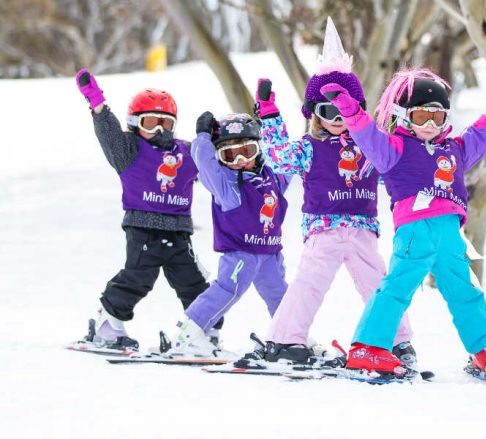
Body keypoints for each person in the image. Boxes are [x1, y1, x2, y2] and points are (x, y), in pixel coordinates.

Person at [319, 67, 486, 381]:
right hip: (415, 232)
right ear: (403, 116)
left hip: (451, 235)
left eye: (437, 117)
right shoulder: (393, 149)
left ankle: (483, 351)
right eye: (420, 117)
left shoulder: (454, 149)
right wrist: (348, 108)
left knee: (465, 291)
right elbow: (366, 134)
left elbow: (481, 135)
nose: (429, 124)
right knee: (397, 288)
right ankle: (368, 348)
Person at [236, 18, 417, 368]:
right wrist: (270, 114)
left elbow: (394, 170)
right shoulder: (308, 147)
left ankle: (396, 342)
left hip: (363, 228)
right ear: (314, 114)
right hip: (324, 228)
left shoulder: (370, 147)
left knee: (379, 285)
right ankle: (287, 340)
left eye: (343, 109)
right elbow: (276, 157)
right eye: (326, 110)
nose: (336, 118)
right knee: (308, 285)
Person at [72, 69, 214, 352]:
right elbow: (109, 133)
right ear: (135, 123)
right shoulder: (129, 149)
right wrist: (96, 103)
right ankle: (108, 325)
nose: (160, 129)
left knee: (193, 282)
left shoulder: (186, 151)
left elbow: (213, 163)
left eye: (166, 122)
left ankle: (203, 331)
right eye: (152, 122)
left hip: (178, 232)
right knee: (138, 278)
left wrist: (209, 137)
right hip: (143, 230)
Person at [164, 112, 291, 357]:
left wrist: (271, 116)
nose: (241, 159)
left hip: (269, 252)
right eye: (231, 155)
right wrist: (202, 136)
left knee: (280, 294)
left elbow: (285, 156)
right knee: (228, 289)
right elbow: (204, 162)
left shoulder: (272, 178)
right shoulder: (226, 184)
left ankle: (290, 335)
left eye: (248, 150)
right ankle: (188, 332)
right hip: (240, 251)